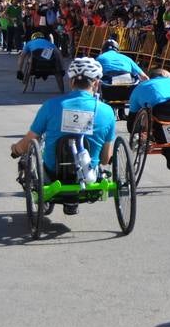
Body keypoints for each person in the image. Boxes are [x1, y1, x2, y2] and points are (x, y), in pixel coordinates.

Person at [9, 57, 117, 214]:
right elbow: (106, 159)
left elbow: (30, 140)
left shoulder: (51, 105)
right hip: (89, 174)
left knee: (37, 153)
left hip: (54, 174)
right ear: (96, 83)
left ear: (71, 82)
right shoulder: (107, 111)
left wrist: (16, 149)